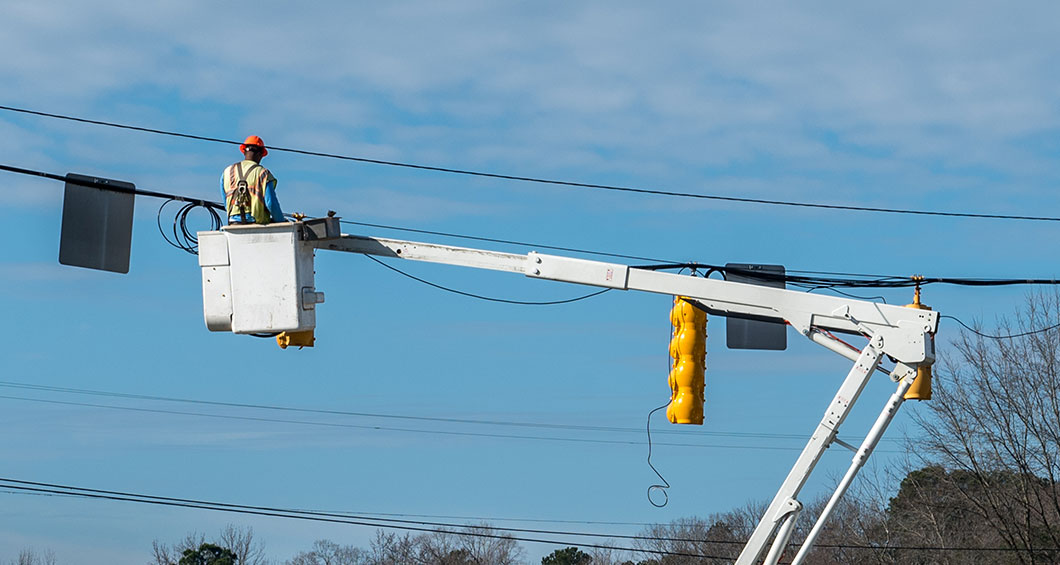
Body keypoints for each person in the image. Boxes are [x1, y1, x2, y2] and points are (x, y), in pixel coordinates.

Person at [221, 135, 287, 224]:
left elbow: (226, 202)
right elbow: (271, 203)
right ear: (260, 154)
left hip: (233, 222)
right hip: (256, 223)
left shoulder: (227, 172)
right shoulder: (263, 173)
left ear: (244, 152)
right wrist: (281, 222)